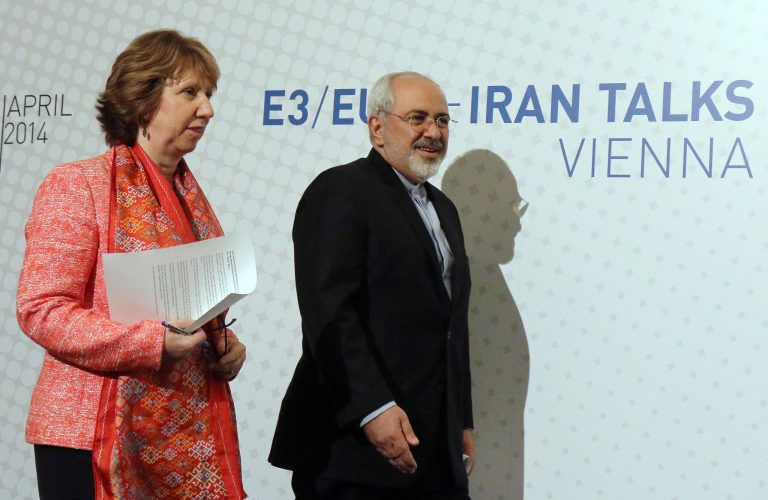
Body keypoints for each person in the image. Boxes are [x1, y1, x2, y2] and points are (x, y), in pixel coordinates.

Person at [16, 30, 246, 500]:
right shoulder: (77, 184)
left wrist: (222, 346)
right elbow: (41, 309)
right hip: (88, 436)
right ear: (143, 101)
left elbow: (189, 312)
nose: (207, 109)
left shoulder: (191, 200)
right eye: (190, 93)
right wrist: (152, 343)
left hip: (179, 437)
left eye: (208, 94)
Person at [269, 71, 475, 499]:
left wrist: (462, 420)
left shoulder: (445, 210)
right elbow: (329, 310)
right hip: (354, 453)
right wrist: (372, 409)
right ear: (377, 127)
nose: (432, 132)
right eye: (417, 117)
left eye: (442, 120)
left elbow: (451, 327)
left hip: (435, 454)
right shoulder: (342, 189)